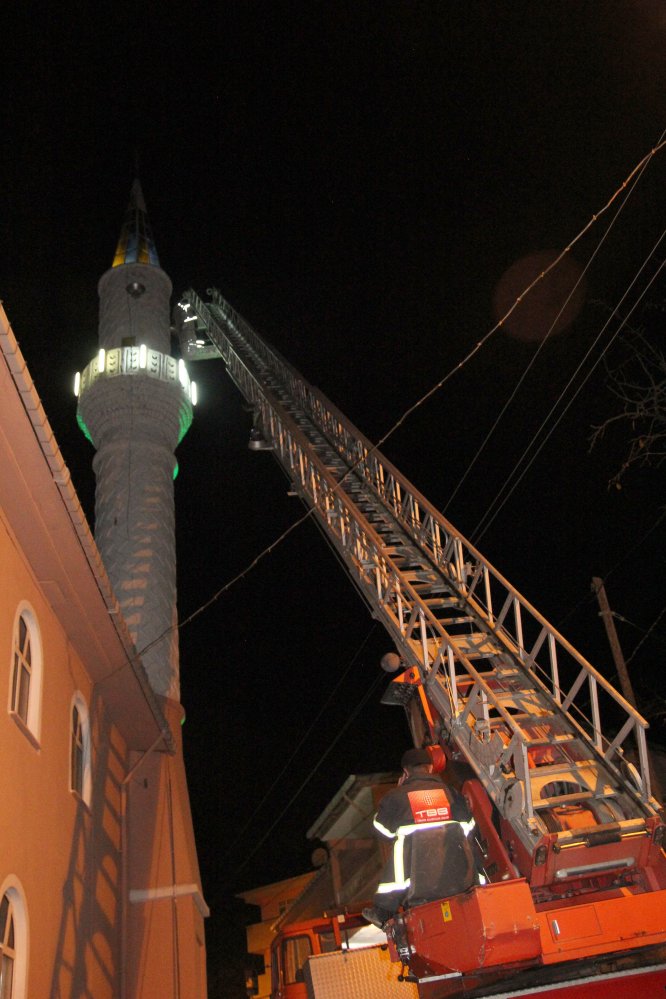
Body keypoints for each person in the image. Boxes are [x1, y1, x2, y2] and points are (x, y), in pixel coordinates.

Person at [362, 747, 478, 929]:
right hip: (461, 881)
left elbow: (383, 832)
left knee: (404, 841)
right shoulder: (452, 793)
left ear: (406, 772)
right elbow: (470, 828)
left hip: (419, 884)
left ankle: (384, 910)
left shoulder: (396, 797)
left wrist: (398, 794)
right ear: (431, 768)